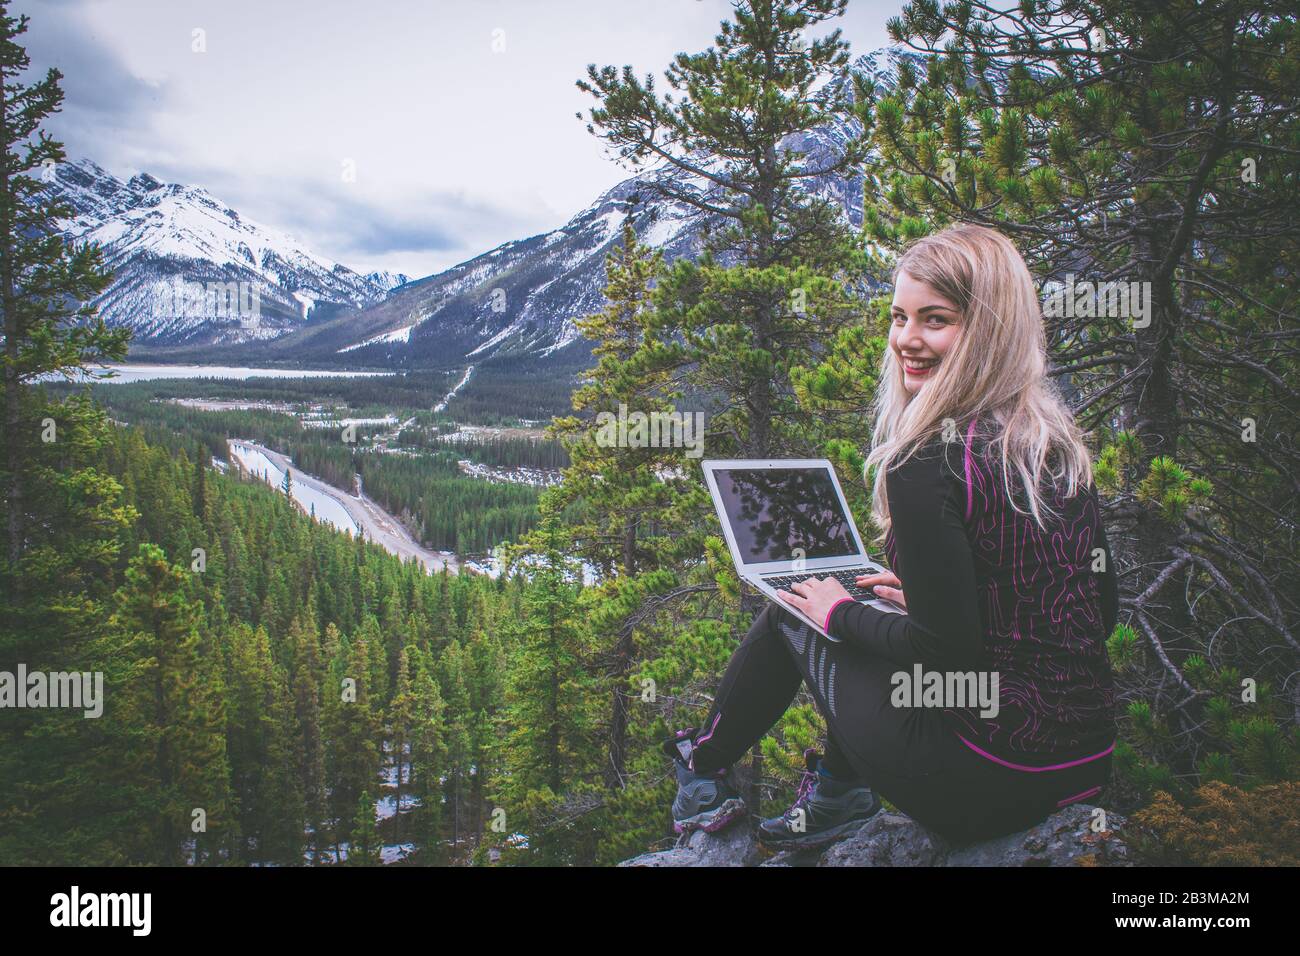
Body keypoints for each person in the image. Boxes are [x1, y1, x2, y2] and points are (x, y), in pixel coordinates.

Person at [663, 223, 1118, 849]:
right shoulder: (1053, 444)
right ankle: (835, 792)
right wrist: (927, 600)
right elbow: (1100, 611)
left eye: (935, 320)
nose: (907, 339)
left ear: (989, 328)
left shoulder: (927, 460)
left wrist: (842, 612)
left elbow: (944, 654)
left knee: (798, 607)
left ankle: (702, 764)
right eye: (899, 316)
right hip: (1084, 766)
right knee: (867, 605)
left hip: (986, 781)